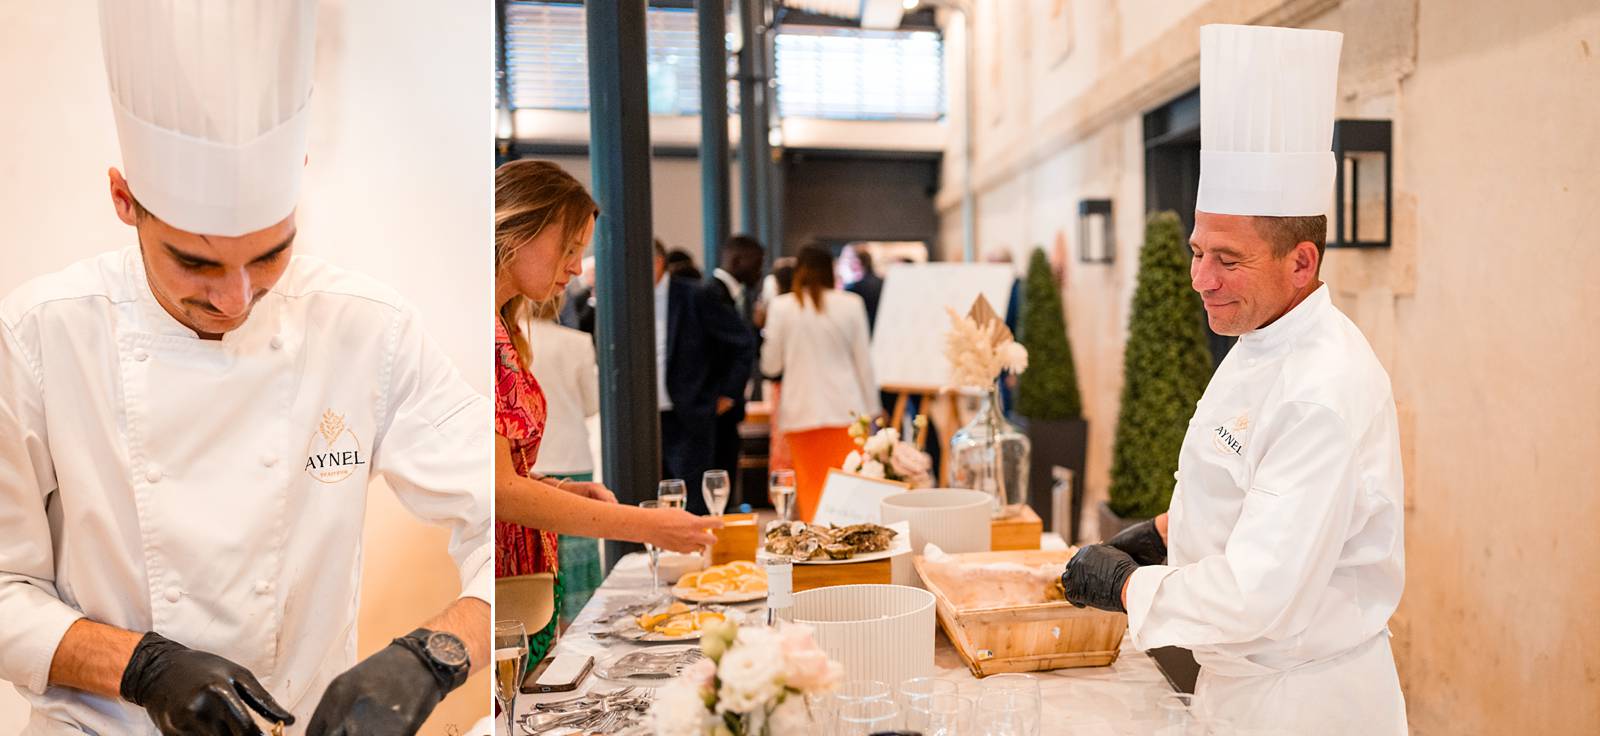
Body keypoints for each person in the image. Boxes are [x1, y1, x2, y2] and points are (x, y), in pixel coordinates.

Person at [0, 4, 489, 733]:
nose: (235, 299)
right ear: (124, 201)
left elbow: (496, 503)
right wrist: (141, 667)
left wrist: (436, 654)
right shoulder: (40, 336)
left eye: (269, 255)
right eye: (195, 262)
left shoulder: (366, 328)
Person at [1061, 25, 1406, 734]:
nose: (1199, 280)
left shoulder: (1322, 390)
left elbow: (1257, 594)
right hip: (1235, 689)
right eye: (1195, 251)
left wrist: (1125, 585)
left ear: (1301, 263)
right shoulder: (1257, 338)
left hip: (1301, 704)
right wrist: (1160, 533)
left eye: (1228, 259)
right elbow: (1245, 486)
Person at [493, 160, 721, 661]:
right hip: (494, 577)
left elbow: (499, 474)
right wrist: (645, 526)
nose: (577, 267)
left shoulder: (503, 329)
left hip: (521, 573)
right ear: (518, 230)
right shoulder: (477, 331)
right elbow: (496, 491)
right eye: (569, 248)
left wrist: (555, 487)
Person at [760, 245, 881, 522]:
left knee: (811, 490)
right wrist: (874, 411)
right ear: (831, 270)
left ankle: (816, 550)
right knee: (850, 493)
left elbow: (771, 365)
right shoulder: (850, 304)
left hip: (800, 412)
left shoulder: (782, 307)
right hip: (846, 412)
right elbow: (864, 363)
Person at [654, 241, 758, 514]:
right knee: (649, 503)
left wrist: (729, 393)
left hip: (689, 414)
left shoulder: (695, 295)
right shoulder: (627, 300)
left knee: (694, 504)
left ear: (657, 263)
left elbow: (743, 343)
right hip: (644, 420)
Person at [521, 300, 604, 626]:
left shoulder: (511, 342)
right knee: (575, 555)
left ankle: (540, 630)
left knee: (537, 562)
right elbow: (591, 404)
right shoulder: (577, 342)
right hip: (572, 455)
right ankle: (579, 631)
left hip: (529, 462)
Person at [705, 235, 765, 483]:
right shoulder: (712, 294)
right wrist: (728, 394)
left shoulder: (735, 296)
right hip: (717, 402)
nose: (760, 271)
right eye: (757, 263)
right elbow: (737, 346)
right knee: (720, 470)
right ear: (737, 260)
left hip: (727, 404)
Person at [842, 245, 884, 333]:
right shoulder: (884, 283)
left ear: (858, 262)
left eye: (849, 260)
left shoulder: (853, 288)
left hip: (862, 331)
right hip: (882, 331)